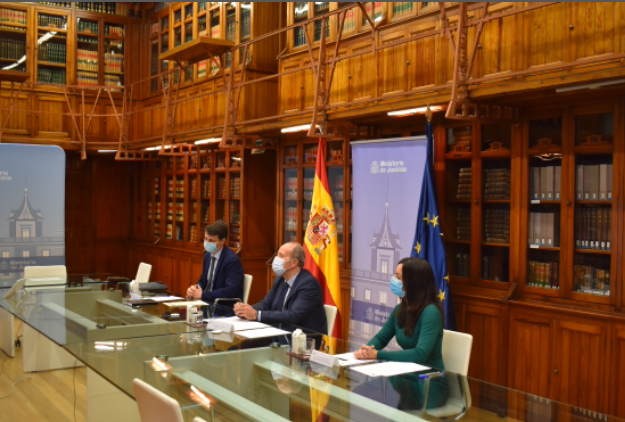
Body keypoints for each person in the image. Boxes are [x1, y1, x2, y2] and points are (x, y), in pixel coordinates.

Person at [354, 257, 449, 410]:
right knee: (360, 393)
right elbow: (381, 337)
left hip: (429, 382)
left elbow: (420, 354)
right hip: (405, 376)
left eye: (398, 278)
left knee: (378, 401)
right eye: (395, 276)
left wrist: (378, 355)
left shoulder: (431, 312)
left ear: (413, 283)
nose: (393, 280)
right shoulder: (401, 308)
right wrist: (367, 350)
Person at [234, 242, 327, 335]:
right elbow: (266, 305)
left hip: (302, 338)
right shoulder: (280, 279)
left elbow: (293, 316)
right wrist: (246, 310)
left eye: (281, 256)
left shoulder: (308, 284)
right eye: (277, 255)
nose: (276, 259)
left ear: (294, 262)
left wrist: (256, 315)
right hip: (280, 333)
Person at [186, 221, 244, 309]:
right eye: (205, 239)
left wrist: (202, 295)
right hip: (206, 303)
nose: (207, 243)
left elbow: (230, 291)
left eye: (211, 240)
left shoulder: (232, 260)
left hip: (222, 306)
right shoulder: (208, 256)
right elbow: (203, 282)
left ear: (222, 241)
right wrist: (194, 289)